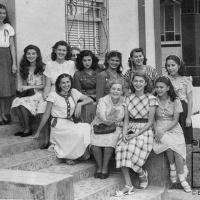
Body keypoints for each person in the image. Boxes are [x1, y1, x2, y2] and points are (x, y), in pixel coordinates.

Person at [33, 73, 93, 165]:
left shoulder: (73, 92)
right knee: (74, 132)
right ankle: (68, 156)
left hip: (70, 122)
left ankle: (81, 152)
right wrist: (38, 132)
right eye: (63, 83)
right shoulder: (53, 95)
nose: (66, 85)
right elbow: (46, 115)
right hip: (58, 124)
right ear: (59, 85)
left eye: (68, 82)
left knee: (87, 127)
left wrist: (80, 104)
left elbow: (90, 99)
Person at [115, 72, 158, 196]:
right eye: (136, 81)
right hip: (131, 127)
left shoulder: (151, 99)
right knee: (121, 147)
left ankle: (141, 173)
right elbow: (127, 119)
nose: (138, 83)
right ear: (132, 83)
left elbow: (150, 122)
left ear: (145, 83)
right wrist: (124, 133)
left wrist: (135, 134)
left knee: (132, 147)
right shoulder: (128, 98)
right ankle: (128, 185)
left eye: (141, 81)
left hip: (145, 129)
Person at [153, 76, 191, 193]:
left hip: (173, 127)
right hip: (159, 126)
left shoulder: (176, 100)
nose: (159, 89)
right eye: (157, 87)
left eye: (162, 87)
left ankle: (180, 176)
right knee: (168, 143)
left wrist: (163, 130)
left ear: (168, 88)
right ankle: (173, 167)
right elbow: (152, 119)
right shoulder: (153, 100)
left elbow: (175, 120)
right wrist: (157, 131)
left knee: (178, 148)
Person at [91, 79, 125, 179]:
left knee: (109, 142)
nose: (116, 91)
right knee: (95, 143)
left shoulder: (124, 101)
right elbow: (102, 115)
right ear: (109, 90)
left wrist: (114, 121)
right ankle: (99, 167)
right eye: (113, 88)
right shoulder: (103, 100)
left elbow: (123, 116)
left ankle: (105, 168)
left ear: (122, 91)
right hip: (100, 125)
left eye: (119, 89)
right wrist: (108, 121)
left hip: (116, 126)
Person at [11, 45, 45, 137]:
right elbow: (24, 85)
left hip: (39, 93)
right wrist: (22, 88)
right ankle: (23, 128)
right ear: (25, 55)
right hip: (29, 93)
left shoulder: (43, 67)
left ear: (37, 55)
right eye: (28, 54)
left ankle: (28, 129)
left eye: (33, 53)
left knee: (22, 103)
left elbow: (44, 85)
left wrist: (29, 87)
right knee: (16, 101)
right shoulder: (24, 68)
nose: (31, 56)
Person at [165, 55, 193, 145]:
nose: (170, 68)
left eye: (173, 65)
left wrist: (188, 118)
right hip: (169, 110)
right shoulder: (165, 79)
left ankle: (181, 159)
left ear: (179, 66)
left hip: (182, 111)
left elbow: (190, 100)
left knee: (182, 140)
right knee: (169, 138)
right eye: (168, 66)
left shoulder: (186, 80)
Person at [0, 4, 17, 124]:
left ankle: (4, 113)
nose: (2, 15)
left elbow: (12, 46)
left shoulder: (8, 27)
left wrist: (14, 63)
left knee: (5, 88)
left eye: (4, 13)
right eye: (0, 13)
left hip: (6, 58)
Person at [74, 50, 99, 123]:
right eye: (84, 60)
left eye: (89, 60)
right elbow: (78, 93)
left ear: (92, 60)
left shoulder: (98, 72)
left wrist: (94, 98)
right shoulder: (77, 74)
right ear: (81, 61)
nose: (87, 63)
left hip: (98, 98)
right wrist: (85, 101)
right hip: (84, 100)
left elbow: (101, 89)